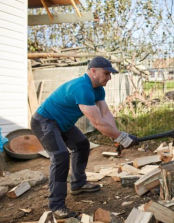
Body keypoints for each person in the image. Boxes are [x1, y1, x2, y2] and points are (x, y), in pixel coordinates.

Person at [31, 56, 139, 219]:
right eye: (106, 73)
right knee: (60, 157)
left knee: (82, 145)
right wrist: (121, 137)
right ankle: (56, 205)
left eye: (111, 74)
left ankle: (78, 184)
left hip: (62, 124)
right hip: (44, 122)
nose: (109, 77)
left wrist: (116, 136)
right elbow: (97, 122)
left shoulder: (98, 89)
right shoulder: (82, 87)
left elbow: (105, 114)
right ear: (93, 71)